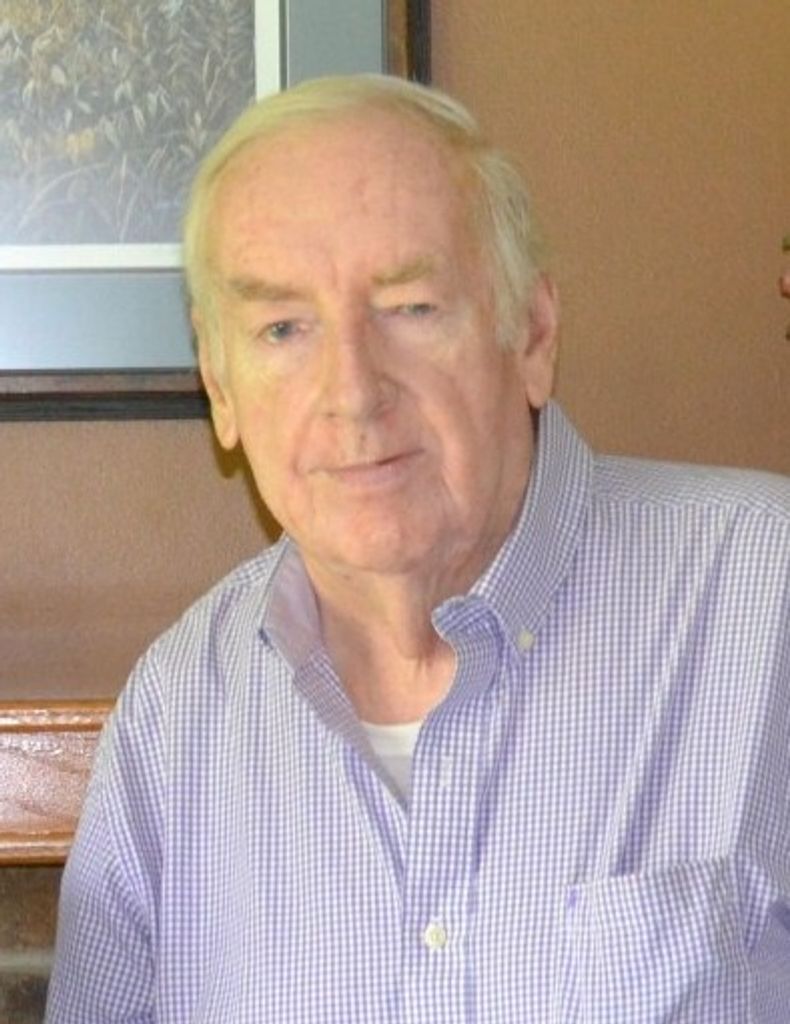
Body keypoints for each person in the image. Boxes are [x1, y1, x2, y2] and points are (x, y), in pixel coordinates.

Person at [46, 75, 790, 1022]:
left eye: (411, 307)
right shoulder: (174, 715)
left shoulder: (768, 599)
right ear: (220, 388)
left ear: (533, 332)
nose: (354, 392)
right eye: (283, 328)